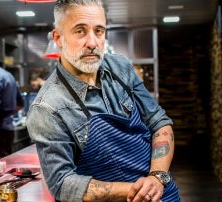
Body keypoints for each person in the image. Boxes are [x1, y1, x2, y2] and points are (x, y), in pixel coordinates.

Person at [26, 1, 180, 202]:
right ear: (58, 38)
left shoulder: (120, 67)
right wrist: (138, 190)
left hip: (162, 194)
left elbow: (159, 122)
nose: (92, 42)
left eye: (99, 31)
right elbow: (62, 184)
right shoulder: (47, 108)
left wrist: (157, 177)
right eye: (80, 31)